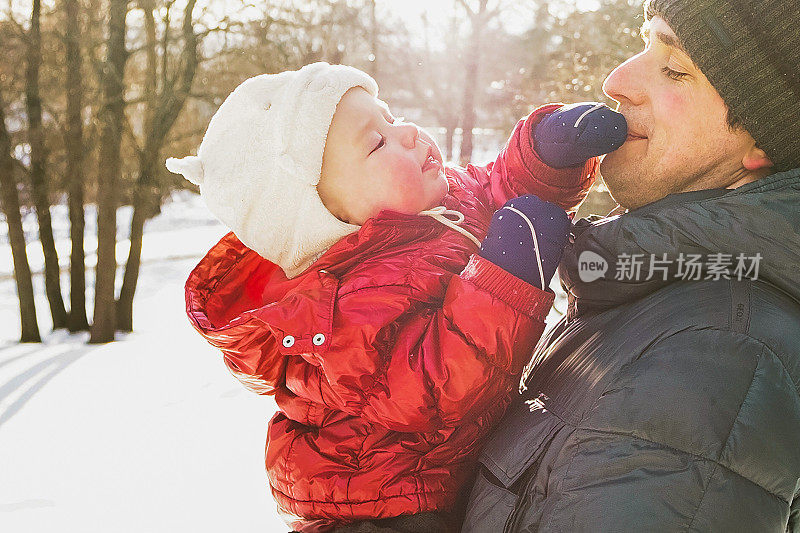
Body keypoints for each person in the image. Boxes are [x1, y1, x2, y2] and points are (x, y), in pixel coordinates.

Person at [166, 62, 626, 532]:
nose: (406, 133)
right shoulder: (343, 305)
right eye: (376, 143)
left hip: (446, 472)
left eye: (390, 116)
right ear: (328, 218)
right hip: (384, 503)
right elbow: (429, 386)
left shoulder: (439, 202)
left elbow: (498, 184)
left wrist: (547, 150)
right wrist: (506, 277)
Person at [461, 0, 800, 531]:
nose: (615, 80)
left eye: (675, 68)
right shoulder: (659, 297)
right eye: (643, 43)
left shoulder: (713, 353)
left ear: (760, 141)